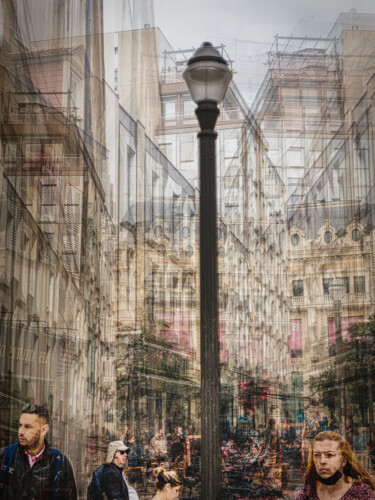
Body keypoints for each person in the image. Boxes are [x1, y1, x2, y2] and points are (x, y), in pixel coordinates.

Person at [0, 404, 77, 499]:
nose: (21, 432)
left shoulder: (60, 463)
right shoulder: (5, 456)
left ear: (43, 430)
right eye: (20, 425)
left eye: (28, 427)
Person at [295, 430, 375, 499]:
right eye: (317, 455)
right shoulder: (308, 491)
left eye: (329, 455)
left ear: (344, 460)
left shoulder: (361, 493)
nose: (322, 461)